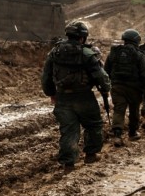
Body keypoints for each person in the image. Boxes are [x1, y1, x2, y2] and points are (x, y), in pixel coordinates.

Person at [41, 21, 111, 173]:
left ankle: (69, 164)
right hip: (84, 97)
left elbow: (46, 76)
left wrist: (51, 93)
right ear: (83, 38)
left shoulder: (55, 52)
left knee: (69, 131)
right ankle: (90, 155)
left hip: (63, 98)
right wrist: (106, 89)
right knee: (93, 125)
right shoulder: (87, 53)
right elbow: (101, 76)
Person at [104, 29, 145, 147]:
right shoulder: (138, 54)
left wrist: (109, 84)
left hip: (117, 87)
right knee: (134, 110)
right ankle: (132, 133)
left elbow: (106, 71)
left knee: (119, 110)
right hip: (134, 88)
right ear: (136, 40)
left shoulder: (113, 52)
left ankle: (117, 135)